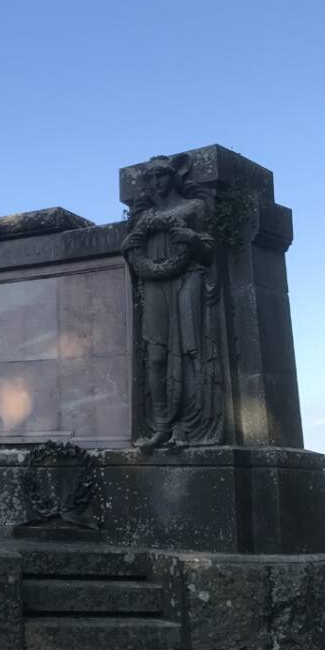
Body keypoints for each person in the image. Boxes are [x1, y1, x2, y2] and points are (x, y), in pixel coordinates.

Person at [121, 156, 223, 447]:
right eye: (151, 178)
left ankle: (189, 425)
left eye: (161, 176)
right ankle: (162, 426)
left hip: (187, 277)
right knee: (155, 355)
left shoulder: (194, 208)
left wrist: (191, 238)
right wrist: (133, 253)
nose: (156, 183)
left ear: (174, 177)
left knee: (192, 350)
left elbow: (208, 254)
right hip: (153, 283)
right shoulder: (143, 220)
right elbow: (132, 252)